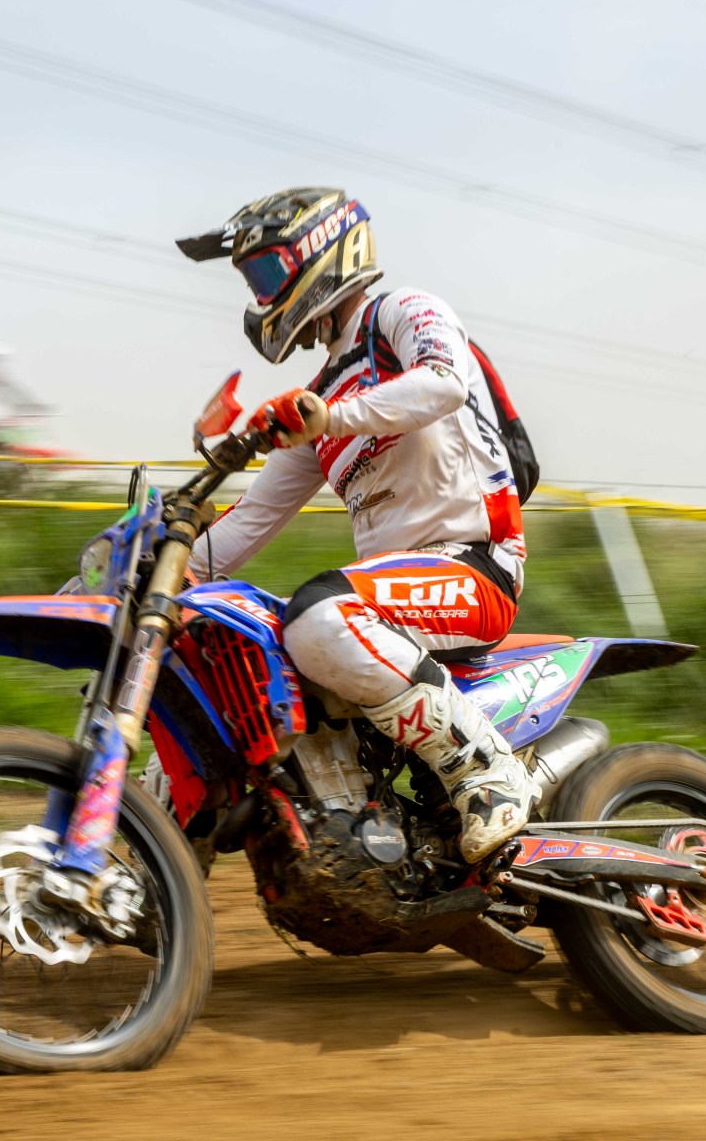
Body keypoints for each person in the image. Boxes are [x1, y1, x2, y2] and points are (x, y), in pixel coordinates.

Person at [175, 187, 538, 862]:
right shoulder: (320, 396)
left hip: (474, 567)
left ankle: (487, 771)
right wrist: (153, 570)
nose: (262, 295)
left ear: (324, 251)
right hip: (393, 595)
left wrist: (332, 417)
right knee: (234, 642)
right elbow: (251, 521)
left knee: (316, 615)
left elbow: (444, 382)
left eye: (267, 273)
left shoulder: (402, 312)